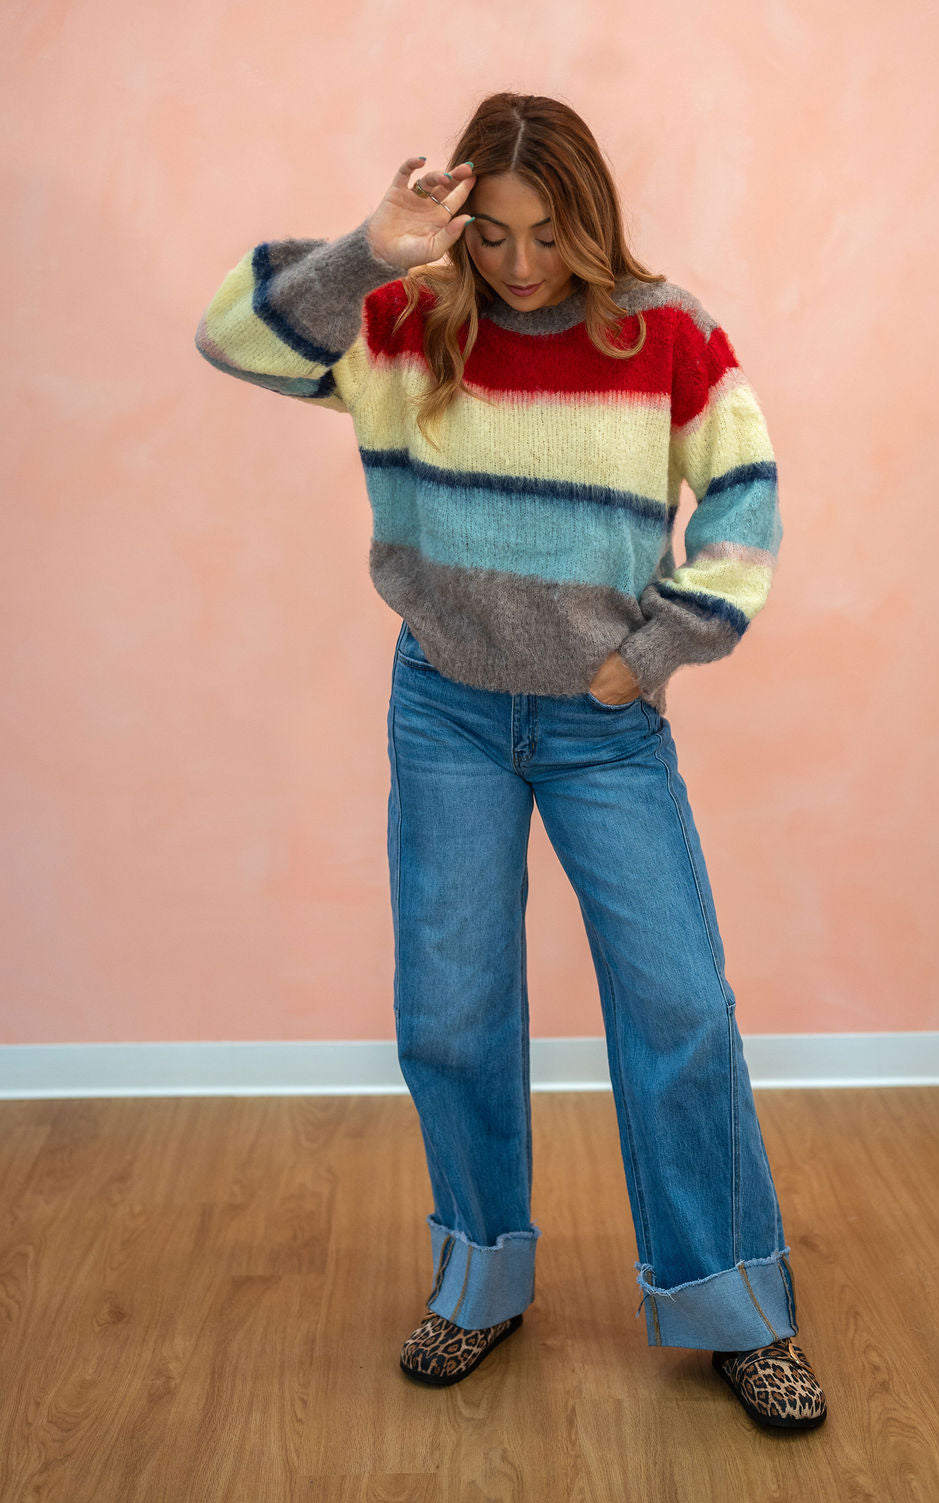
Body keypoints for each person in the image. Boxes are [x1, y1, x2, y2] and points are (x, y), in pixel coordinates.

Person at [195, 91, 828, 1432]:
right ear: (460, 225)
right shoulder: (405, 318)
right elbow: (233, 335)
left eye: (549, 233)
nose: (522, 263)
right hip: (449, 714)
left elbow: (748, 493)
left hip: (605, 728)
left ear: (593, 217)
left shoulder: (664, 331)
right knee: (452, 1011)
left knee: (679, 1006)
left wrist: (656, 653)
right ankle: (479, 1283)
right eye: (492, 233)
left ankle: (735, 1307)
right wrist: (371, 246)